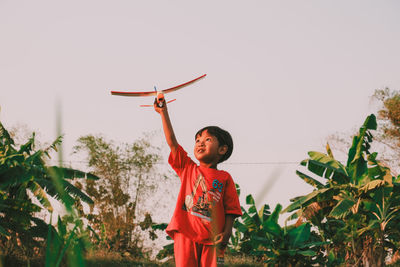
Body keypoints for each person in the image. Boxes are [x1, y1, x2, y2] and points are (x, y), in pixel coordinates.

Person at [154, 98, 242, 267]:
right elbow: (172, 142)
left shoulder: (225, 178)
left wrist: (227, 233)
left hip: (214, 240)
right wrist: (163, 112)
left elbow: (231, 209)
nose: (200, 142)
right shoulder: (188, 168)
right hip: (186, 234)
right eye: (197, 140)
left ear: (222, 149)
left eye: (208, 139)